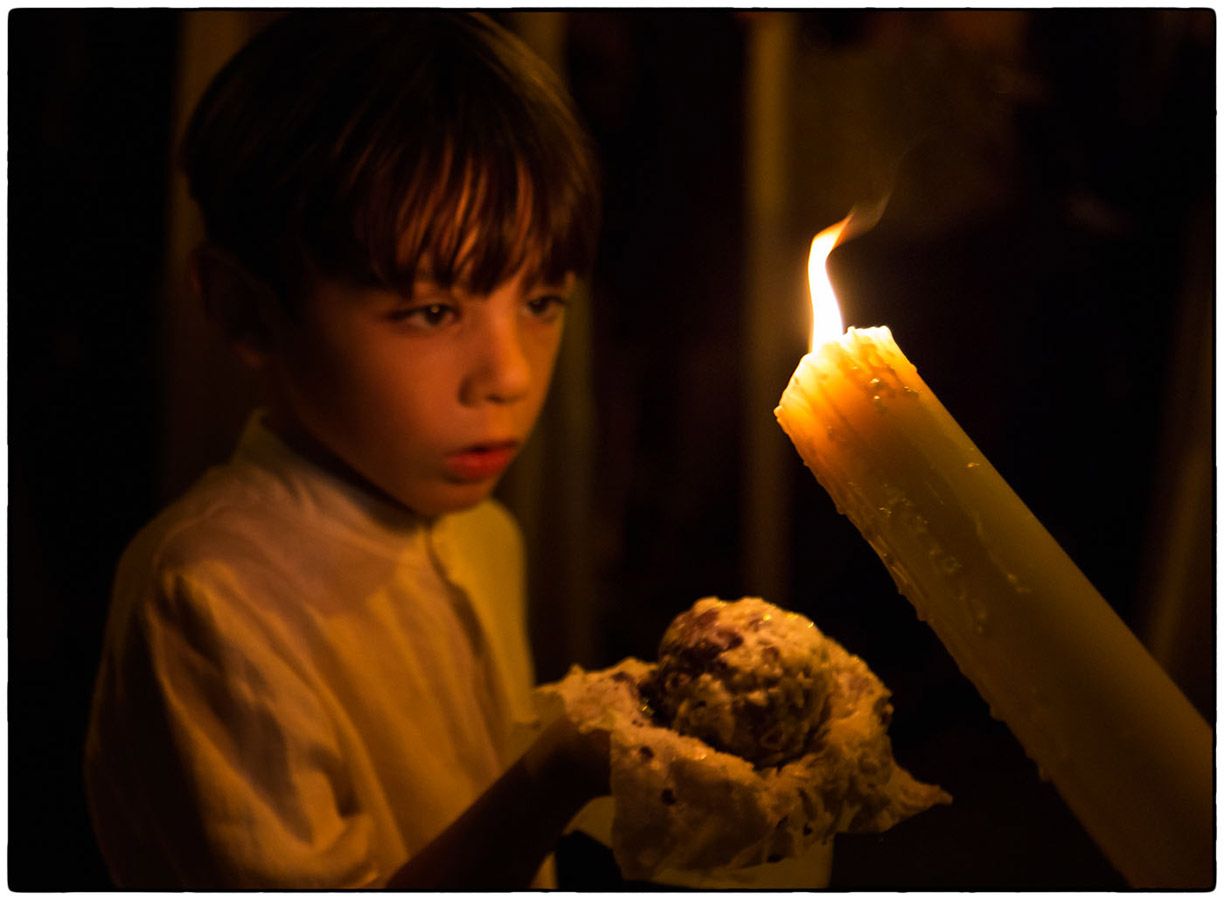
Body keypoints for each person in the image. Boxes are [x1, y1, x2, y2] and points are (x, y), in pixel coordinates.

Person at [83, 11, 607, 889]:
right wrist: (551, 781)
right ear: (247, 310)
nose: (509, 375)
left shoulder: (485, 536)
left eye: (542, 302)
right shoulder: (209, 601)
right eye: (433, 311)